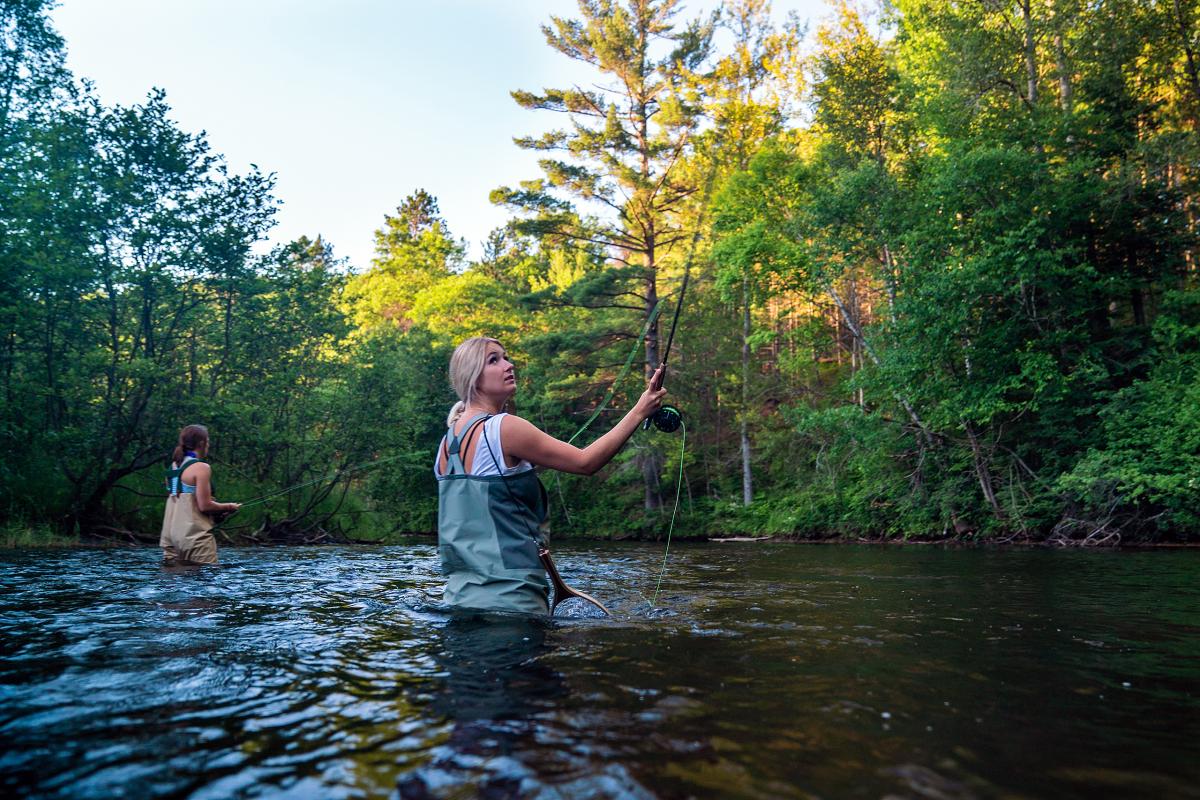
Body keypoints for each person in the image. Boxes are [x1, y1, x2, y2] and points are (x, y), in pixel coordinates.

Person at [434, 336, 666, 615]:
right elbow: (586, 462)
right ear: (472, 377)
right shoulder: (505, 428)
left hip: (459, 601)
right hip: (513, 601)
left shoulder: (448, 443)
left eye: (506, 357)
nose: (509, 365)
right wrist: (640, 410)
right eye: (494, 360)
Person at [160, 424, 240, 565]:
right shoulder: (201, 467)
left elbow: (184, 507)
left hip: (170, 538)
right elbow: (204, 506)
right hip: (194, 538)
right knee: (206, 581)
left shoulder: (172, 467)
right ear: (202, 443)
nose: (208, 445)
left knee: (175, 582)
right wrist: (229, 506)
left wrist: (217, 515)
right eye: (208, 442)